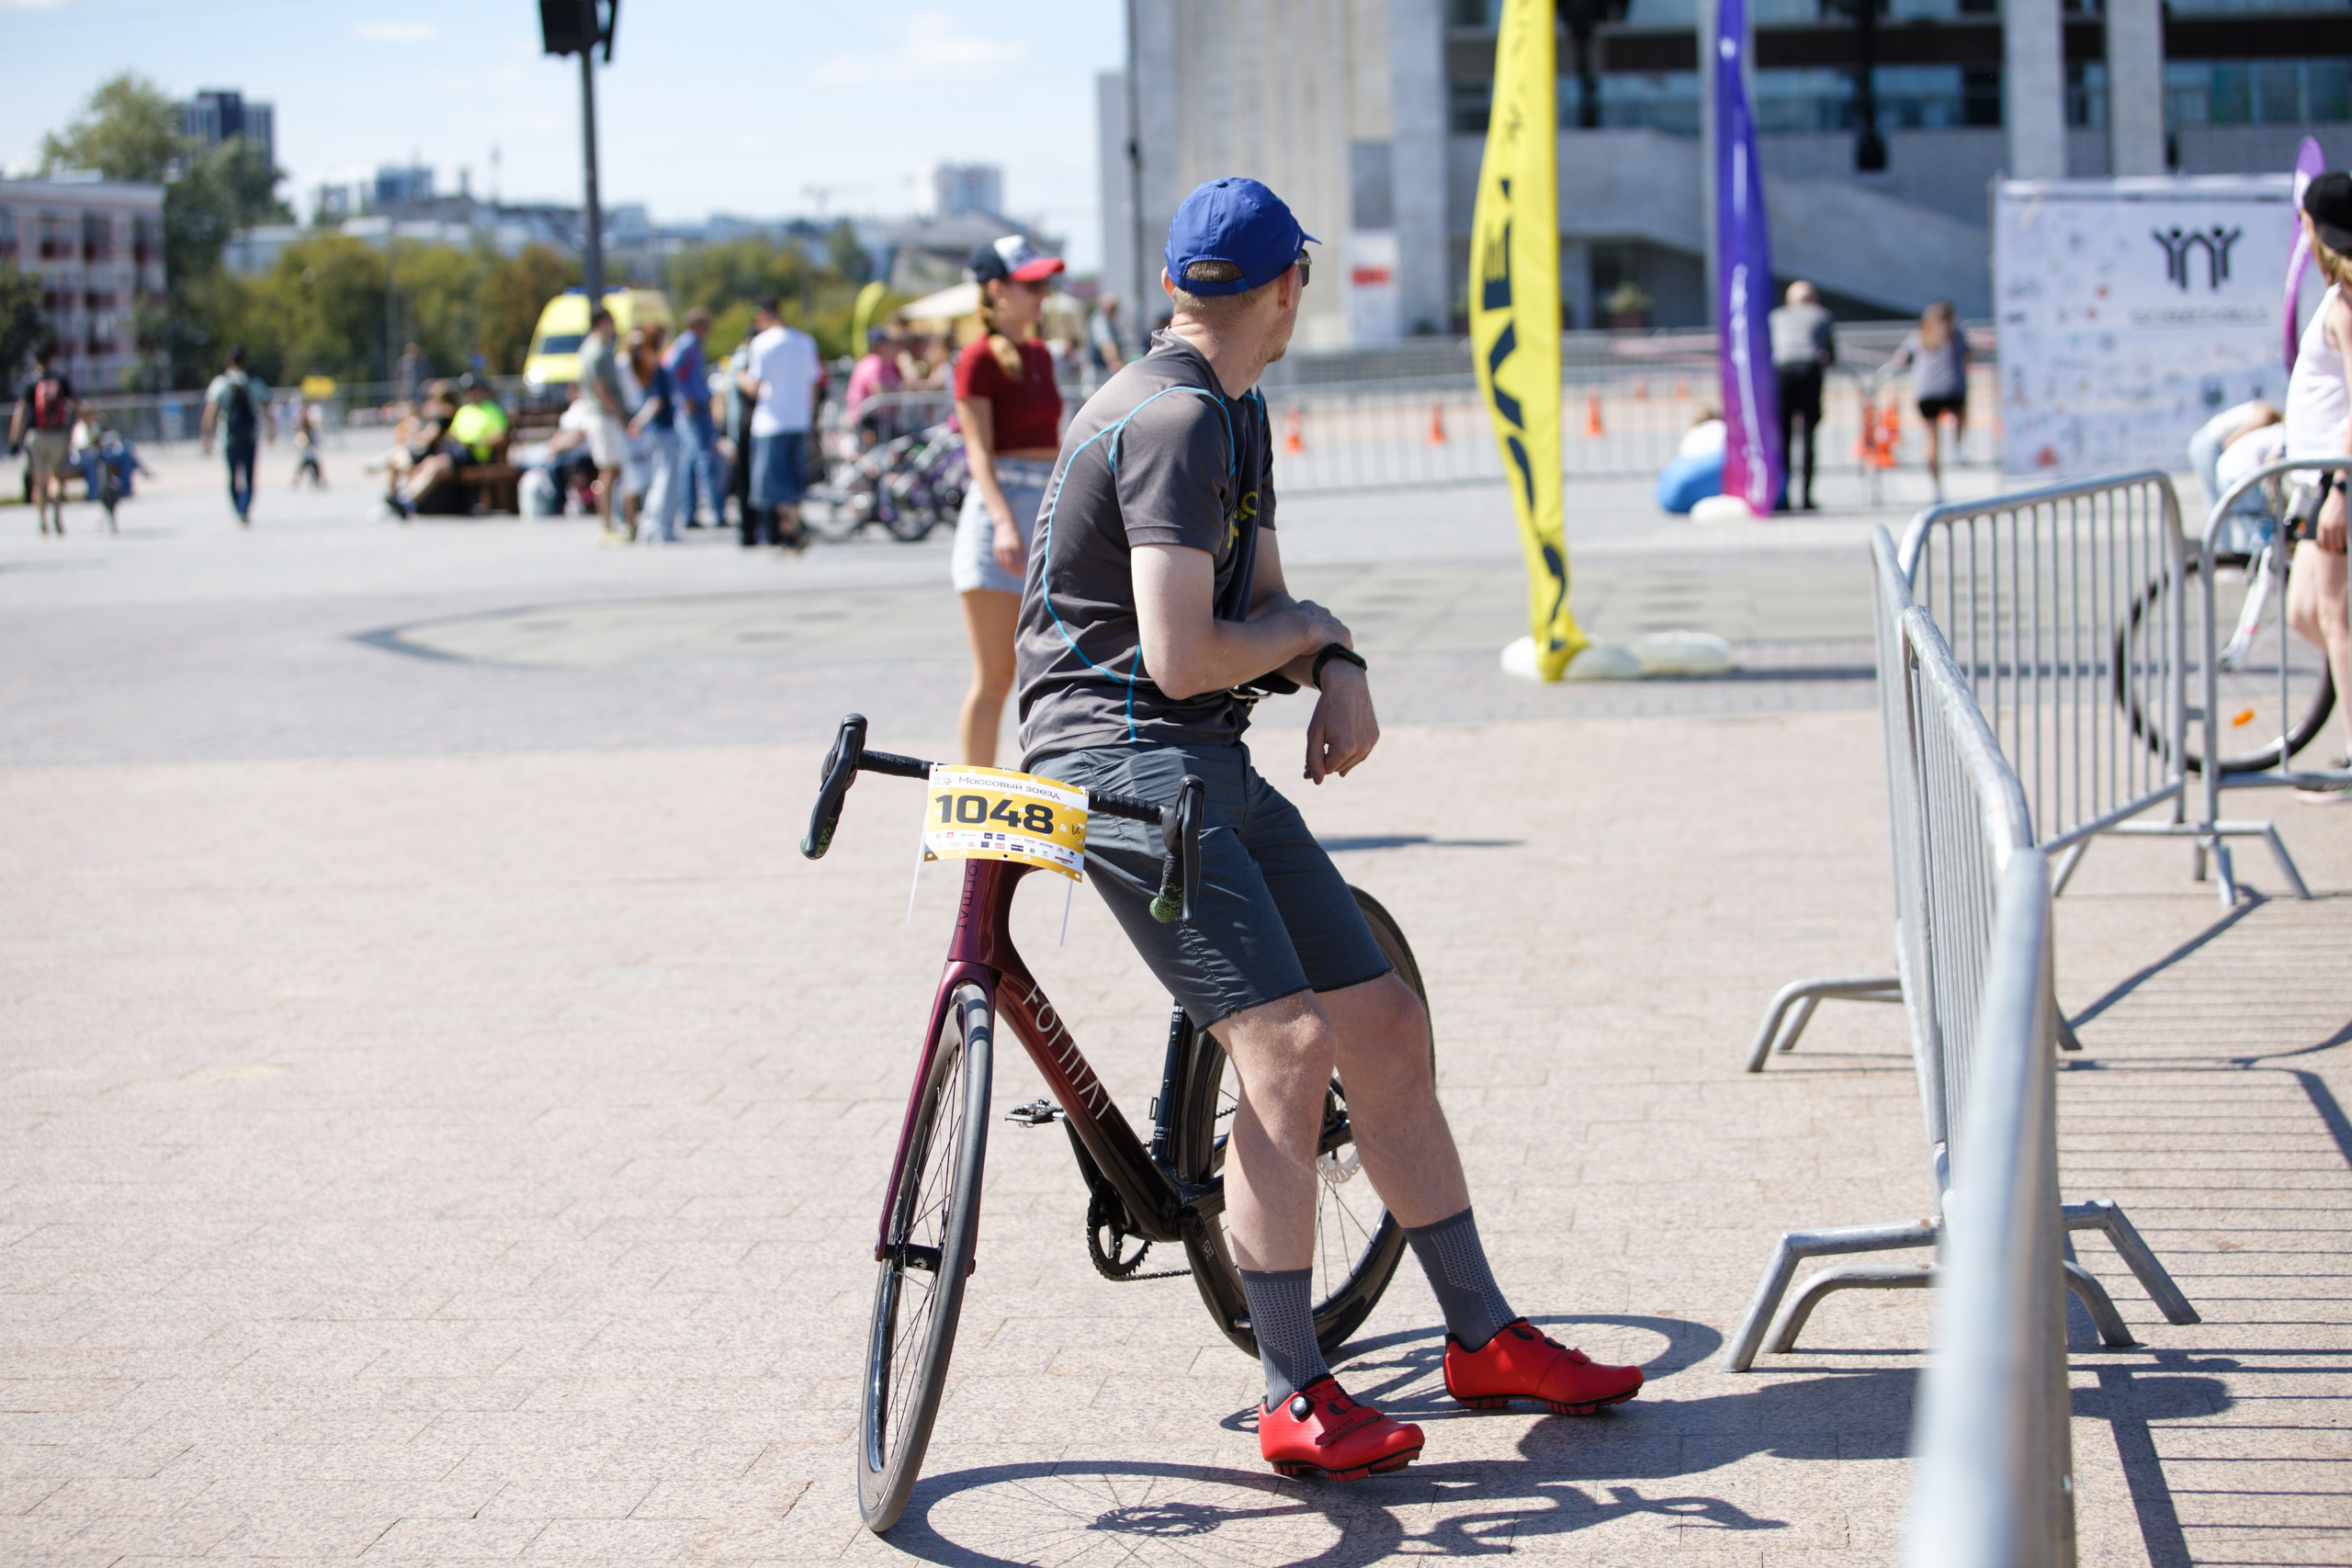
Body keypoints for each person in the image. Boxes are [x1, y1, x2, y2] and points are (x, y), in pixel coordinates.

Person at [1015, 176, 1645, 1482]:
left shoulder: (1236, 411)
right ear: (1287, 286)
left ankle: (1481, 1334)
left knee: (1386, 1023)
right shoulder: (1177, 416)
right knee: (1290, 1045)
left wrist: (1334, 655)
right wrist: (1309, 639)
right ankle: (1293, 1384)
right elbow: (1188, 653)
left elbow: (1267, 601)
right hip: (1122, 756)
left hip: (1197, 752)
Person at [952, 234, 1068, 765]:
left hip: (1044, 508)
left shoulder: (1041, 353)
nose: (1043, 293)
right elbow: (977, 452)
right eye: (1031, 285)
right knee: (996, 674)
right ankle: (973, 797)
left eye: (1045, 282)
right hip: (1001, 515)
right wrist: (1002, 522)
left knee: (1045, 668)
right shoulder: (977, 359)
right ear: (997, 290)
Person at [2284, 170, 2352, 800]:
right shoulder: (2337, 298)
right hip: (2314, 477)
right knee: (2305, 612)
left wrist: (2341, 491)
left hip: (2336, 482)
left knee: (2333, 616)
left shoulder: (2350, 302)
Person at [738, 299, 824, 549]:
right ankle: (793, 529)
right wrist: (810, 416)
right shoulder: (804, 341)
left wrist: (739, 378)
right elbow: (813, 384)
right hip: (798, 420)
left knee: (775, 486)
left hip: (771, 421)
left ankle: (789, 533)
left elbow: (755, 385)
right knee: (793, 483)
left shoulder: (761, 343)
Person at [1887, 299, 1967, 502]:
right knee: (1960, 413)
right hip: (1952, 389)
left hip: (1926, 392)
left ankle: (1936, 487)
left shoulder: (1920, 335)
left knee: (1931, 439)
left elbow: (1901, 356)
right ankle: (1957, 446)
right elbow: (1968, 357)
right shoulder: (1955, 336)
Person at [1768, 280, 1834, 512]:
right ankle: (1805, 497)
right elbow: (1830, 352)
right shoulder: (1822, 315)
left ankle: (1783, 497)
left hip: (1782, 371)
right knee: (1807, 435)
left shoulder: (1776, 316)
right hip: (1809, 370)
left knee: (1783, 437)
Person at [199, 345, 273, 525]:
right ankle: (244, 508)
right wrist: (271, 430)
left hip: (228, 437)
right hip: (250, 436)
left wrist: (206, 436)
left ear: (228, 361)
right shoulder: (254, 383)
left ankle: (238, 508)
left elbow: (210, 412)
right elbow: (266, 409)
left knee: (233, 476)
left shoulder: (221, 383)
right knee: (249, 476)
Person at [665, 308, 723, 528]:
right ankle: (716, 512)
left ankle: (689, 513)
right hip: (692, 408)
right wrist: (685, 395)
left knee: (690, 461)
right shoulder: (688, 343)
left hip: (696, 406)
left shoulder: (690, 344)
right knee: (705, 459)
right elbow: (672, 370)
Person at [9, 344, 75, 536]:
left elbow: (20, 411)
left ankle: (41, 523)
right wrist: (72, 429)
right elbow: (76, 405)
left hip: (37, 436)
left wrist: (14, 440)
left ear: (36, 361)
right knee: (56, 477)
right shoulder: (61, 380)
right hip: (58, 435)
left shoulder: (32, 383)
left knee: (39, 481)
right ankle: (57, 516)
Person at [575, 309, 629, 539]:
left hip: (601, 415)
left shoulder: (592, 348)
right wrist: (621, 415)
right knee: (608, 470)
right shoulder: (596, 351)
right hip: (604, 416)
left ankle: (610, 523)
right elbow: (602, 389)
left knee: (611, 469)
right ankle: (607, 525)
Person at [629, 326, 683, 545]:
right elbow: (656, 400)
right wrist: (639, 422)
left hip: (655, 430)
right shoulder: (655, 366)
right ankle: (658, 526)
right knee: (666, 481)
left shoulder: (645, 365)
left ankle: (653, 526)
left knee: (658, 480)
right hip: (661, 428)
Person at [1087, 291, 1126, 378]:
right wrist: (1115, 363)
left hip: (1103, 370)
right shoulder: (1100, 320)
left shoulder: (1110, 321)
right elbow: (1106, 344)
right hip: (1099, 372)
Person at [291, 400, 327, 490]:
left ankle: (318, 482)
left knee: (314, 467)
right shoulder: (303, 434)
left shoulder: (311, 433)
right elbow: (299, 443)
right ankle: (299, 481)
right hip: (306, 455)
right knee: (304, 467)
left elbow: (316, 441)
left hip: (310, 454)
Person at [396, 342, 430, 411]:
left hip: (420, 386)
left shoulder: (421, 360)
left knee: (419, 402)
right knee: (408, 403)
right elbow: (399, 375)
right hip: (407, 387)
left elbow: (426, 373)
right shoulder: (403, 361)